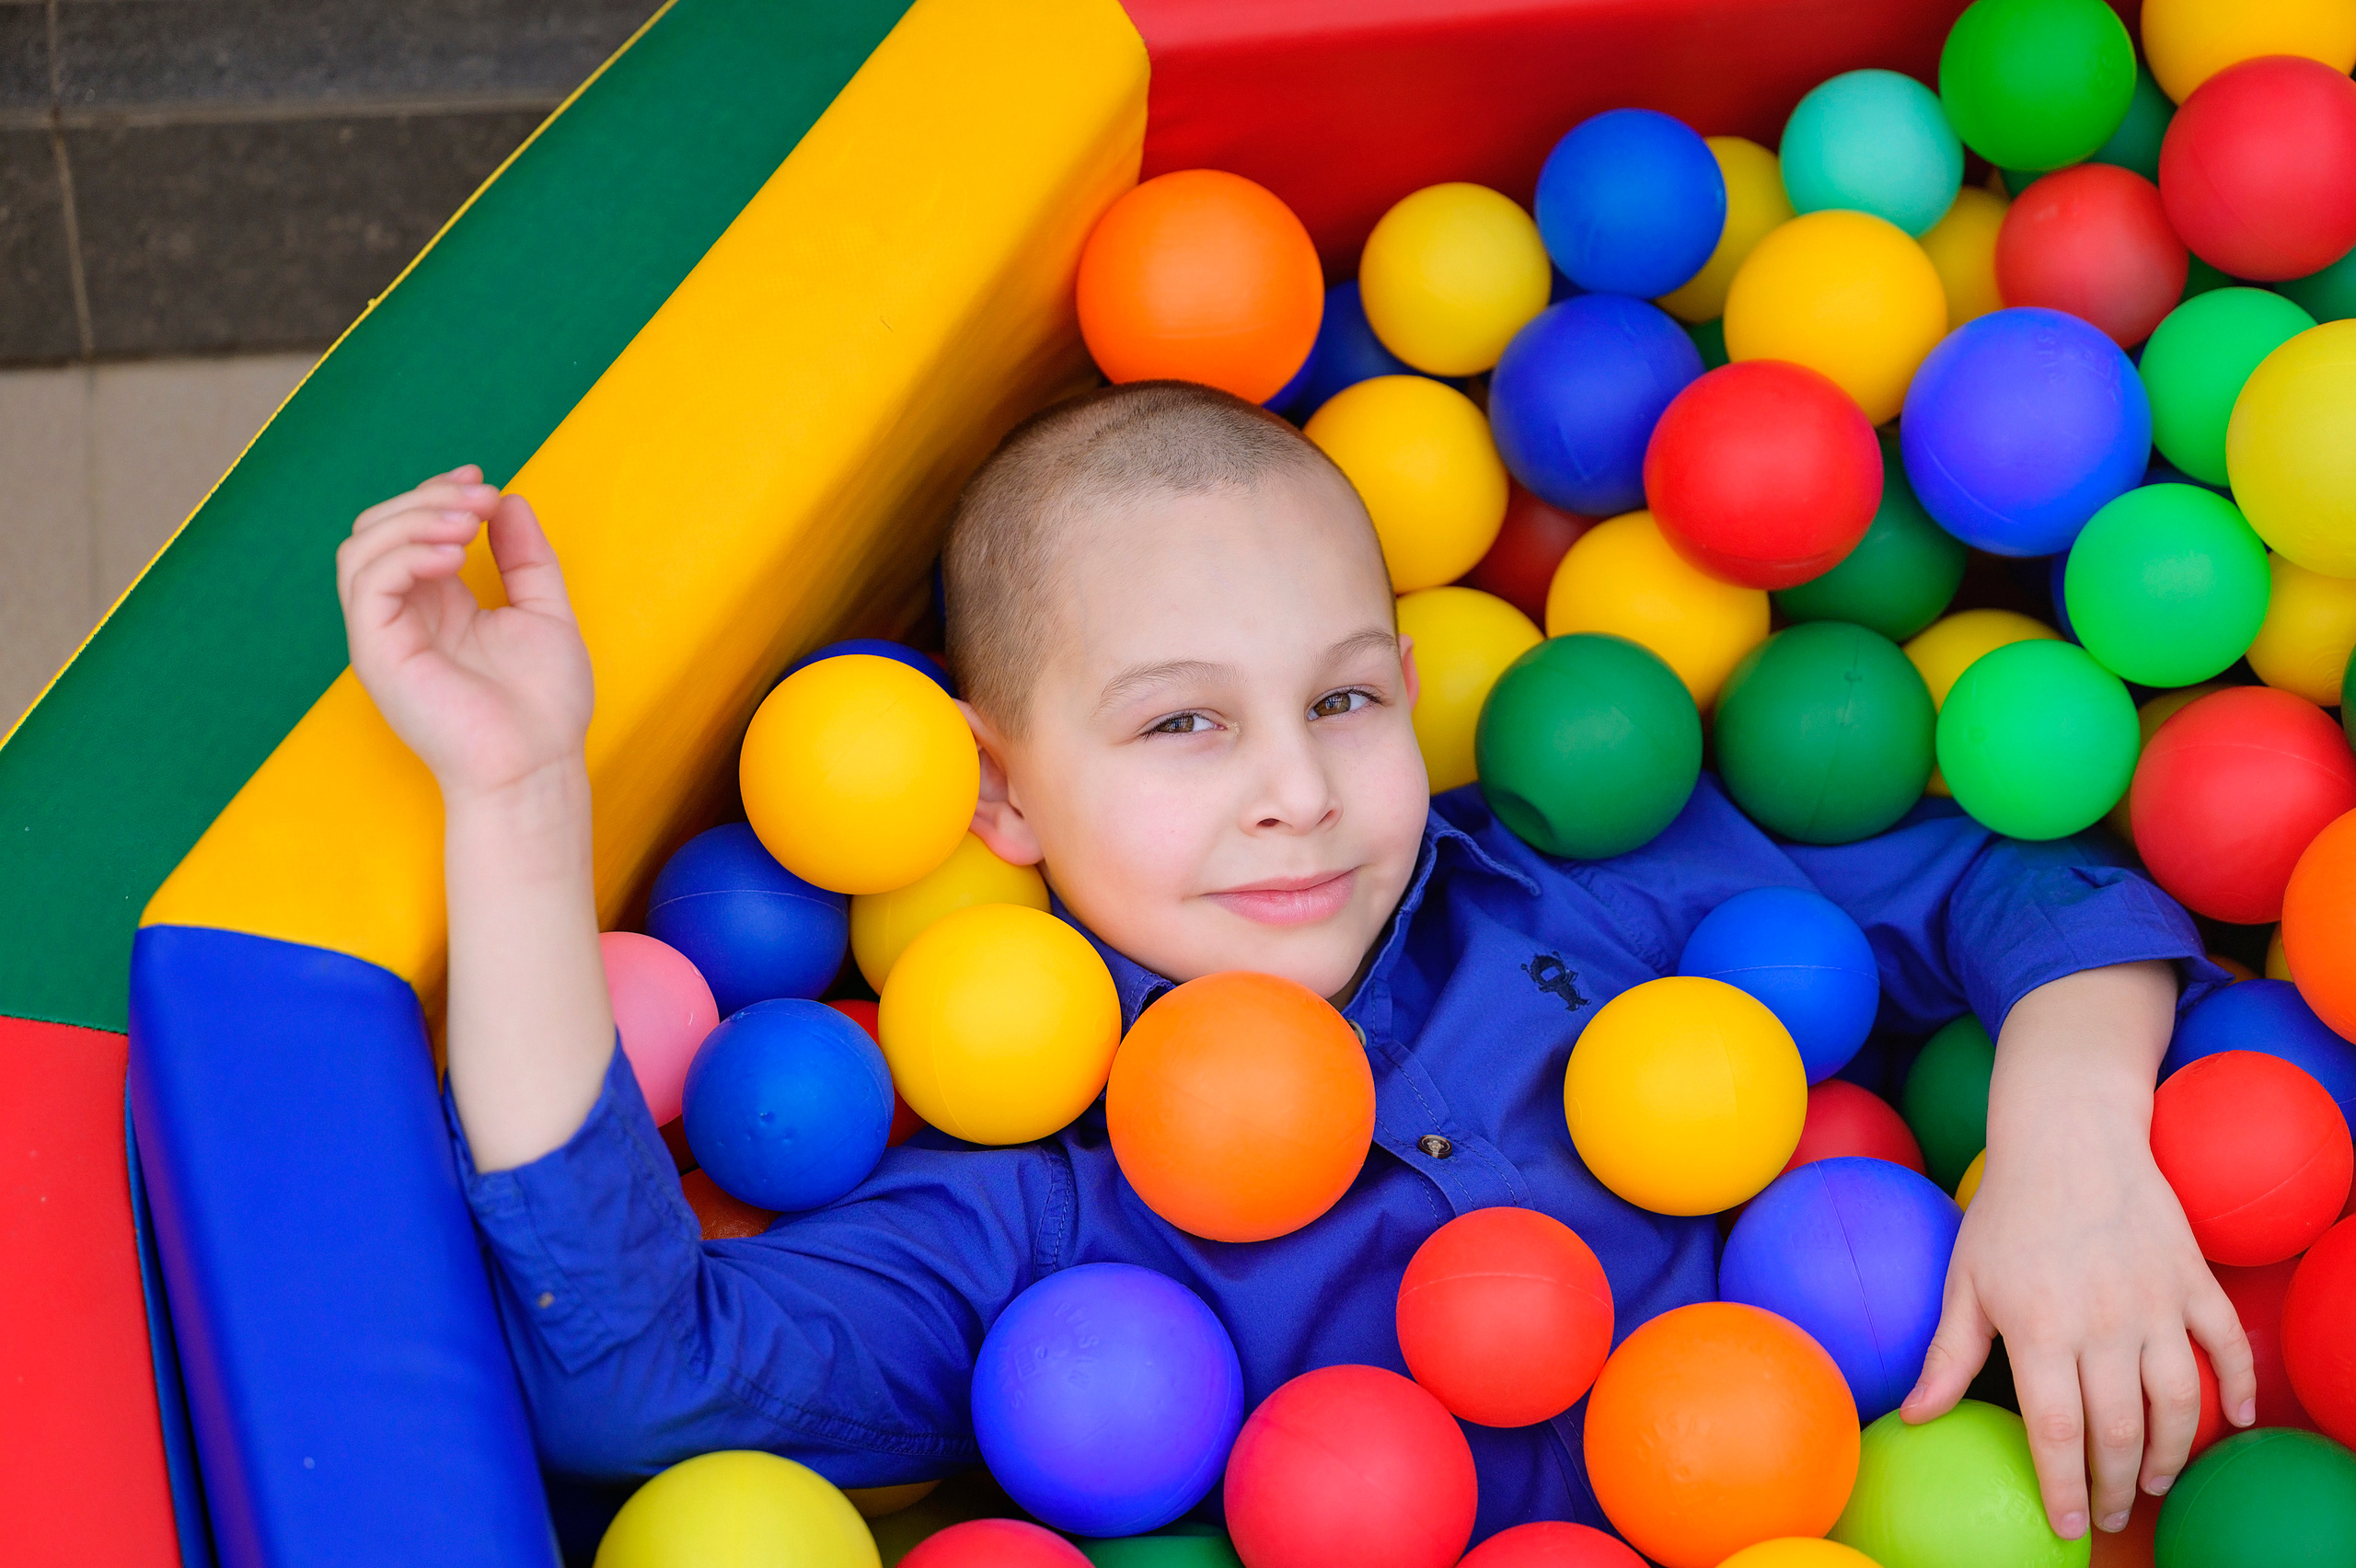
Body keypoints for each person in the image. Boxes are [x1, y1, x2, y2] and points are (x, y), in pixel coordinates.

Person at [338, 380, 2253, 1549]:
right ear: (995, 795)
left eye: (1337, 700)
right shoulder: (1036, 1223)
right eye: (1180, 727)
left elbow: (2017, 891)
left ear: (1408, 693)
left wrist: (2072, 1157)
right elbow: (637, 1384)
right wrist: (514, 803)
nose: (1291, 795)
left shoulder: (1584, 900)